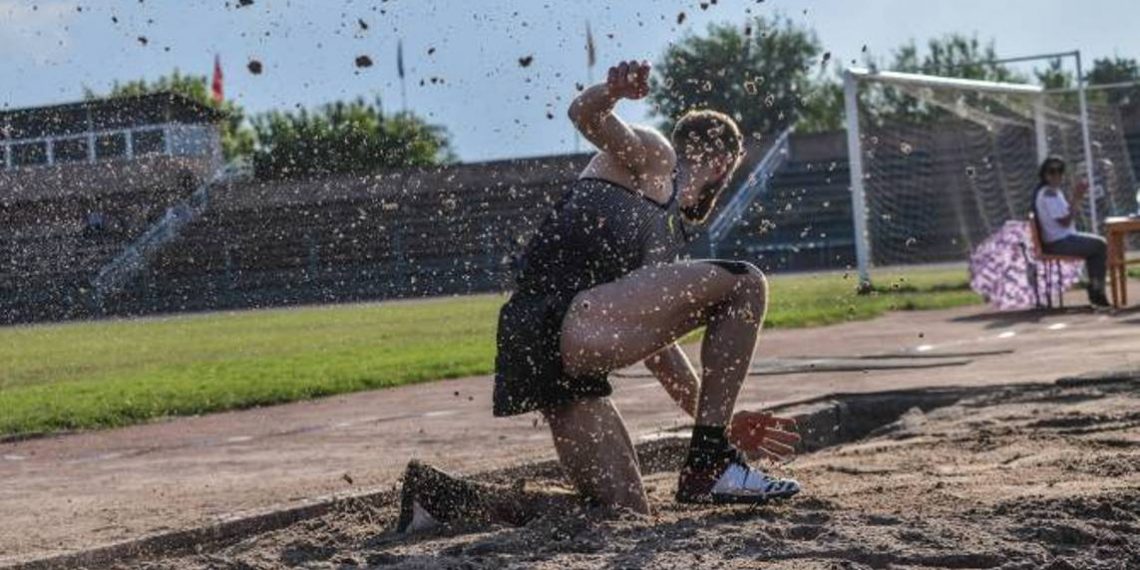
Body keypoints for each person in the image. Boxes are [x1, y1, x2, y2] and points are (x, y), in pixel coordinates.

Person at [1033, 156, 1110, 307]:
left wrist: (1075, 199)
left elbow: (1065, 215)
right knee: (1100, 244)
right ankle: (1097, 290)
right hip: (1058, 242)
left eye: (1060, 171)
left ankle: (1095, 288)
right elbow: (1065, 221)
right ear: (1044, 174)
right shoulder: (1049, 193)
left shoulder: (1054, 192)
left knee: (1097, 246)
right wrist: (1077, 198)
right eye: (1052, 171)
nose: (1056, 175)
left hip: (1062, 238)